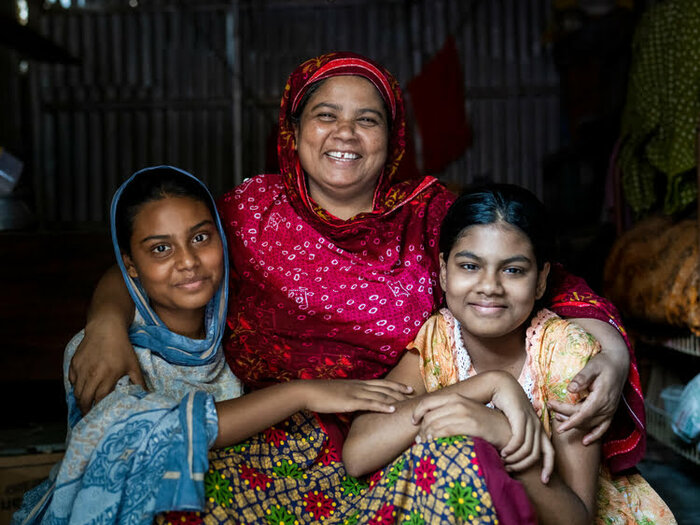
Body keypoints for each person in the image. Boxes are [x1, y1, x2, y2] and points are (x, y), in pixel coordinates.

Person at [68, 53, 645, 522]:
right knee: (165, 493)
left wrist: (610, 351)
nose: (345, 133)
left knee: (461, 476)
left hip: (404, 426)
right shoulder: (247, 214)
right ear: (292, 133)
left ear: (392, 138)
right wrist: (106, 322)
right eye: (324, 115)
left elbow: (544, 280)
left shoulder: (430, 215)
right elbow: (158, 261)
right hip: (270, 438)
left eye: (367, 119)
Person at [13, 166, 413, 525]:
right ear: (130, 265)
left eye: (200, 237)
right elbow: (153, 432)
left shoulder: (243, 324)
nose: (188, 261)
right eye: (161, 249)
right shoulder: (103, 350)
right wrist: (302, 393)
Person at [344, 184, 675, 525]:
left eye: (513, 270)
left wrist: (505, 435)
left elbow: (577, 519)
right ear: (443, 271)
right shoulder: (439, 339)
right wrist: (487, 386)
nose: (489, 286)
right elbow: (357, 455)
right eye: (470, 266)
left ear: (542, 279)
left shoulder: (566, 357)